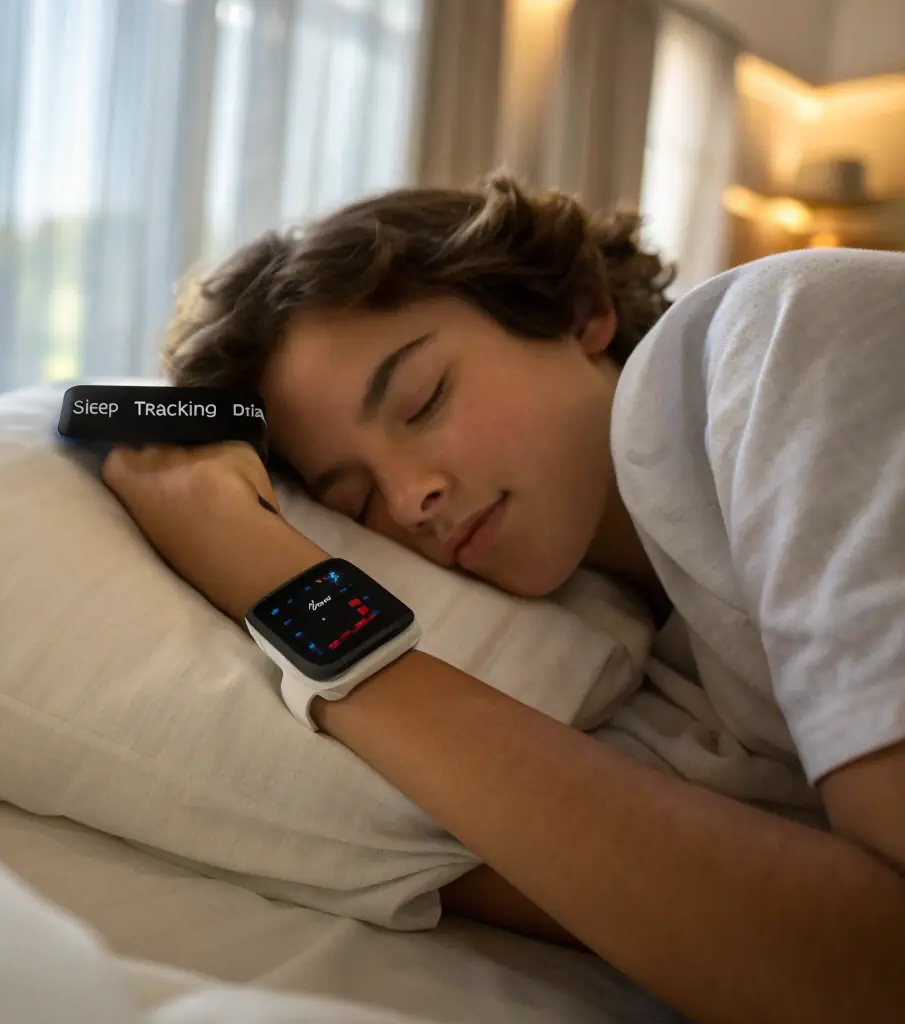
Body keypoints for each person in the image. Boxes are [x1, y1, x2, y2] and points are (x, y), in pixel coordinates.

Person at [100, 172, 905, 1024]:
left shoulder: (781, 333)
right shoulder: (632, 648)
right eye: (356, 501)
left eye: (423, 401)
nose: (409, 497)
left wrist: (283, 589)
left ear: (577, 312)